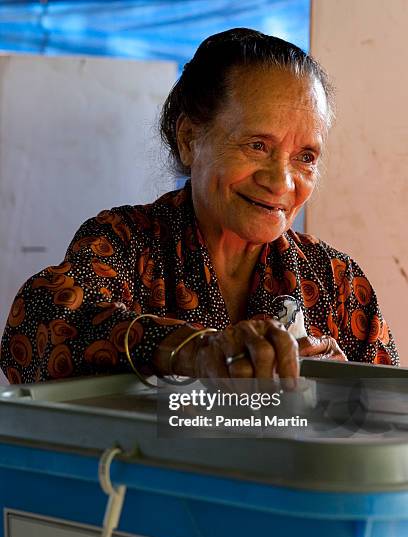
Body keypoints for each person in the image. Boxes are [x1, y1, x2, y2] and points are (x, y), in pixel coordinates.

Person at [0, 28, 399, 386]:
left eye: (306, 157)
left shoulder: (336, 283)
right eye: (257, 146)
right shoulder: (124, 243)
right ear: (190, 138)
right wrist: (197, 350)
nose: (281, 182)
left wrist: (342, 389)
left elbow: (390, 417)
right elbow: (38, 329)